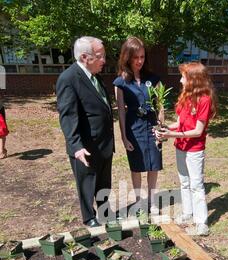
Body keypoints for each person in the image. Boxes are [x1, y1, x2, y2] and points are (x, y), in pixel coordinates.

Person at [56, 36, 114, 227]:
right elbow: (68, 116)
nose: (104, 60)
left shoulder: (95, 76)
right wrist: (76, 146)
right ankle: (89, 217)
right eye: (100, 56)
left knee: (104, 182)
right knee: (87, 182)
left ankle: (105, 213)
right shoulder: (68, 79)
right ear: (84, 57)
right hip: (85, 146)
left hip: (103, 143)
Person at [155, 62, 217, 235]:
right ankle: (188, 213)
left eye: (183, 76)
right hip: (181, 146)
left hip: (194, 149)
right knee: (184, 182)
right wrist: (167, 128)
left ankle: (201, 223)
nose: (181, 80)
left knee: (196, 185)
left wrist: (171, 135)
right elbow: (180, 123)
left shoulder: (204, 99)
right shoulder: (185, 97)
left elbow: (197, 131)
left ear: (193, 79)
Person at [113, 36, 163, 215]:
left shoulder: (153, 79)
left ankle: (152, 201)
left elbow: (160, 105)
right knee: (137, 166)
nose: (139, 61)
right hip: (133, 129)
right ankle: (138, 201)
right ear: (127, 57)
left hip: (151, 127)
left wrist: (160, 128)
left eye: (142, 57)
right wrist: (124, 137)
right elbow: (120, 112)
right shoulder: (121, 82)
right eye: (136, 57)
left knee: (153, 165)